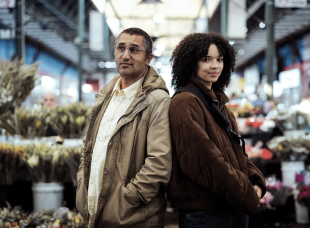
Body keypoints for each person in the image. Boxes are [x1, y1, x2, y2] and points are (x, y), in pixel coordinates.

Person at [167, 32, 266, 228]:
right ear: (190, 63)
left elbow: (238, 152)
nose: (215, 66)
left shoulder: (217, 102)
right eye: (206, 59)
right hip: (204, 213)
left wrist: (256, 182)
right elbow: (204, 159)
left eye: (220, 59)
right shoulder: (184, 102)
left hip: (232, 206)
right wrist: (246, 192)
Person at [76, 27, 172, 228]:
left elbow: (160, 162)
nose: (125, 55)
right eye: (121, 48)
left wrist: (129, 198)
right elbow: (90, 146)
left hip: (132, 218)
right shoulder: (106, 96)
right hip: (94, 211)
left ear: (148, 58)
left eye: (134, 49)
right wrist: (82, 182)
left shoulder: (157, 100)